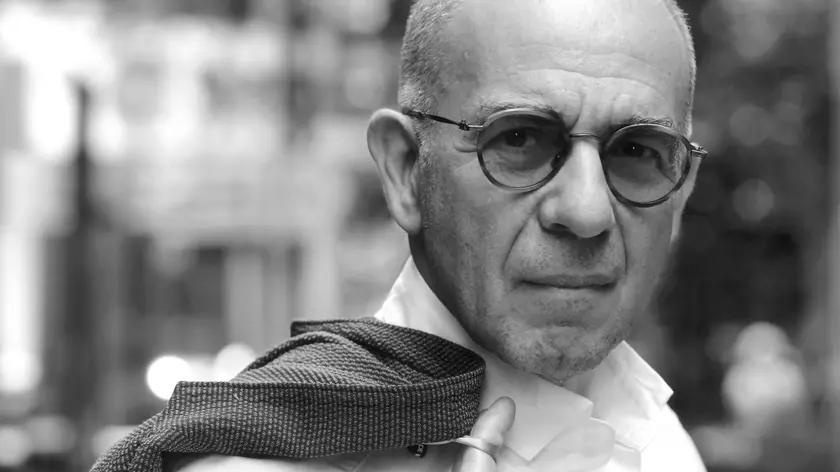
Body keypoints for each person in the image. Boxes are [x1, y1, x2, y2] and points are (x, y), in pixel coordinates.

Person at [92, 0, 708, 470]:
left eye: (637, 152)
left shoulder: (660, 442)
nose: (587, 210)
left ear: (680, 191)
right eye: (519, 139)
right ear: (405, 170)